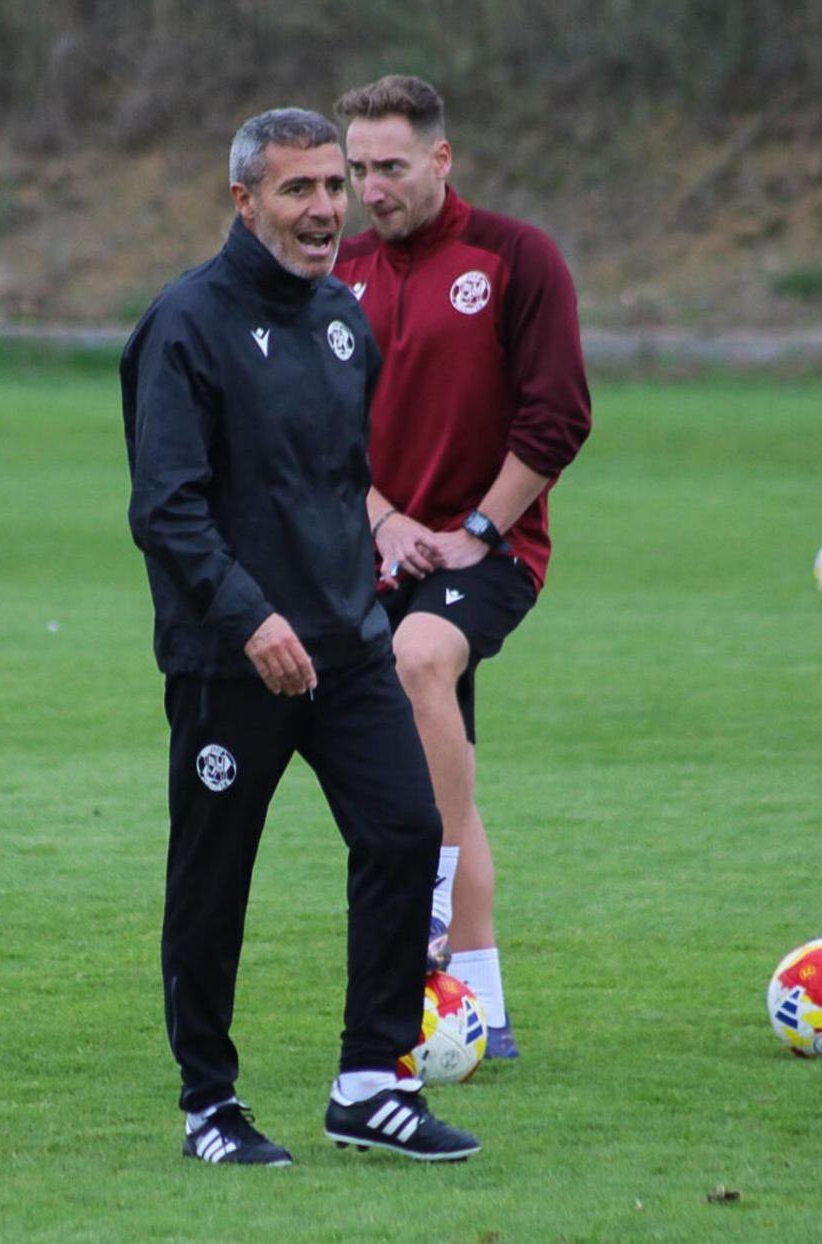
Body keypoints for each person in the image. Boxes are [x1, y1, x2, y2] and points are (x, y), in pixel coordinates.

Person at [120, 107, 480, 1165]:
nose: (327, 207)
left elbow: (336, 483)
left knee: (408, 832)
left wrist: (365, 572)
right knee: (213, 876)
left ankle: (371, 1080)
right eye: (299, 189)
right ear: (245, 200)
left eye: (334, 185)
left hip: (346, 642)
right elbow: (166, 508)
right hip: (230, 661)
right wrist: (251, 617)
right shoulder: (184, 324)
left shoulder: (340, 320)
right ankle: (208, 1105)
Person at [333, 76, 592, 1059]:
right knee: (441, 775)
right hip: (378, 546)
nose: (370, 189)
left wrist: (483, 523)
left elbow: (559, 413)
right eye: (357, 170)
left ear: (441, 159)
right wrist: (387, 520)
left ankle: (429, 911)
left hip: (494, 544)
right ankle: (481, 1004)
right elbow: (319, 432)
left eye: (390, 167)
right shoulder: (339, 271)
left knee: (420, 658)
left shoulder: (516, 257)